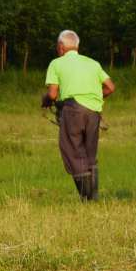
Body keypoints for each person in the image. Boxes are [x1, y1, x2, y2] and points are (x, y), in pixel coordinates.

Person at [42, 30, 115, 201]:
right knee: (90, 153)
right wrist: (93, 98)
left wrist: (45, 101)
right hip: (94, 112)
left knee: (72, 150)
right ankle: (93, 197)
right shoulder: (93, 63)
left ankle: (86, 197)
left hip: (72, 110)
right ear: (76, 46)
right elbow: (110, 87)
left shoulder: (56, 63)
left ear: (61, 47)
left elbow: (52, 95)